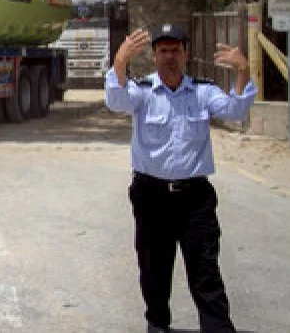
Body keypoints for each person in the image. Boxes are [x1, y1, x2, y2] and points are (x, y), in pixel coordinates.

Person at [105, 24, 256, 333]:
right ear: (154, 56)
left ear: (186, 54)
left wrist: (243, 71)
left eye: (175, 50)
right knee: (153, 270)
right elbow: (116, 101)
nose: (169, 57)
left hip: (194, 199)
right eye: (163, 51)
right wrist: (119, 63)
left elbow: (236, 110)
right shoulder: (142, 92)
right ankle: (157, 324)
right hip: (151, 196)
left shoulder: (202, 91)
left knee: (205, 272)